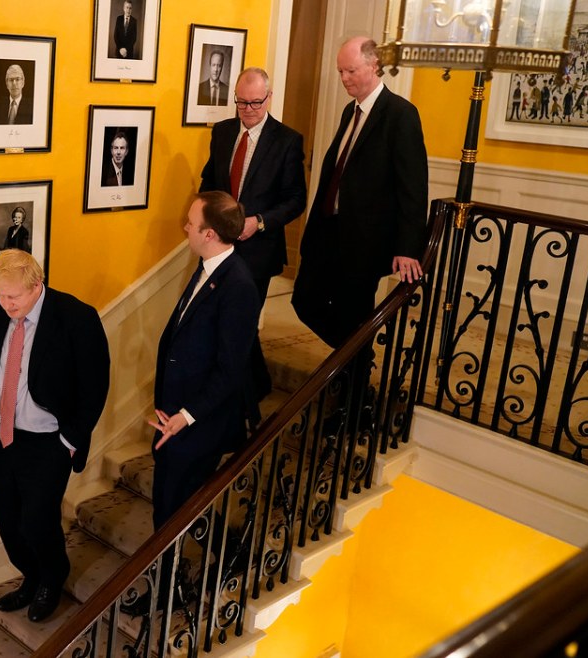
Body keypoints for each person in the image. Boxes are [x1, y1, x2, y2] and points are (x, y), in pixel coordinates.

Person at [0, 249, 110, 623]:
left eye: (13, 296)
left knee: (37, 520)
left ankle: (52, 578)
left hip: (48, 441)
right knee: (8, 521)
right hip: (2, 436)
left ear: (36, 286)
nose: (5, 303)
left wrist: (69, 441)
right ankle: (30, 576)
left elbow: (95, 386)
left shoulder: (77, 318)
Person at [291, 36, 428, 350]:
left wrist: (408, 247)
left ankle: (354, 383)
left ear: (374, 65)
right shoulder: (348, 112)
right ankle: (353, 361)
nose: (344, 79)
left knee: (353, 313)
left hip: (366, 241)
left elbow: (413, 187)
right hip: (330, 230)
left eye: (350, 71)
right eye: (340, 71)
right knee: (304, 301)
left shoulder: (400, 114)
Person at [199, 66, 307, 419]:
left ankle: (244, 411)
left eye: (255, 103)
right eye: (241, 103)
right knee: (221, 323)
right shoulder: (222, 132)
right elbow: (209, 181)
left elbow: (295, 200)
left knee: (239, 325)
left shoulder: (287, 140)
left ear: (269, 98)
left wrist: (258, 222)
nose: (247, 110)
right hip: (218, 248)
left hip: (257, 251)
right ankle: (256, 384)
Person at [149, 191, 260, 530]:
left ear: (209, 233)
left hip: (200, 421)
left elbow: (231, 369)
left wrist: (186, 416)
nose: (186, 227)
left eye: (192, 223)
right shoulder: (209, 267)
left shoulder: (238, 285)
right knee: (170, 504)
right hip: (176, 412)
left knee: (172, 513)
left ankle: (169, 578)